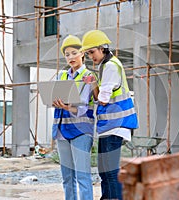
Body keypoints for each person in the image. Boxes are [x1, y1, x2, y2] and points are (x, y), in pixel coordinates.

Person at [80, 30, 139, 200]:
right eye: (88, 53)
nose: (91, 56)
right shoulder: (105, 66)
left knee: (110, 172)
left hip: (117, 125)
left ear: (102, 48)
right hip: (109, 126)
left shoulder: (111, 66)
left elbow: (102, 99)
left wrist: (92, 84)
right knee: (104, 171)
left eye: (92, 52)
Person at [52, 35, 95, 200]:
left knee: (83, 176)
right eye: (67, 54)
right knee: (67, 177)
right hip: (62, 130)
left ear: (82, 53)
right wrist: (56, 102)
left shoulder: (89, 76)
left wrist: (67, 106)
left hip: (81, 131)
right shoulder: (61, 75)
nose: (70, 57)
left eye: (74, 52)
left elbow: (83, 106)